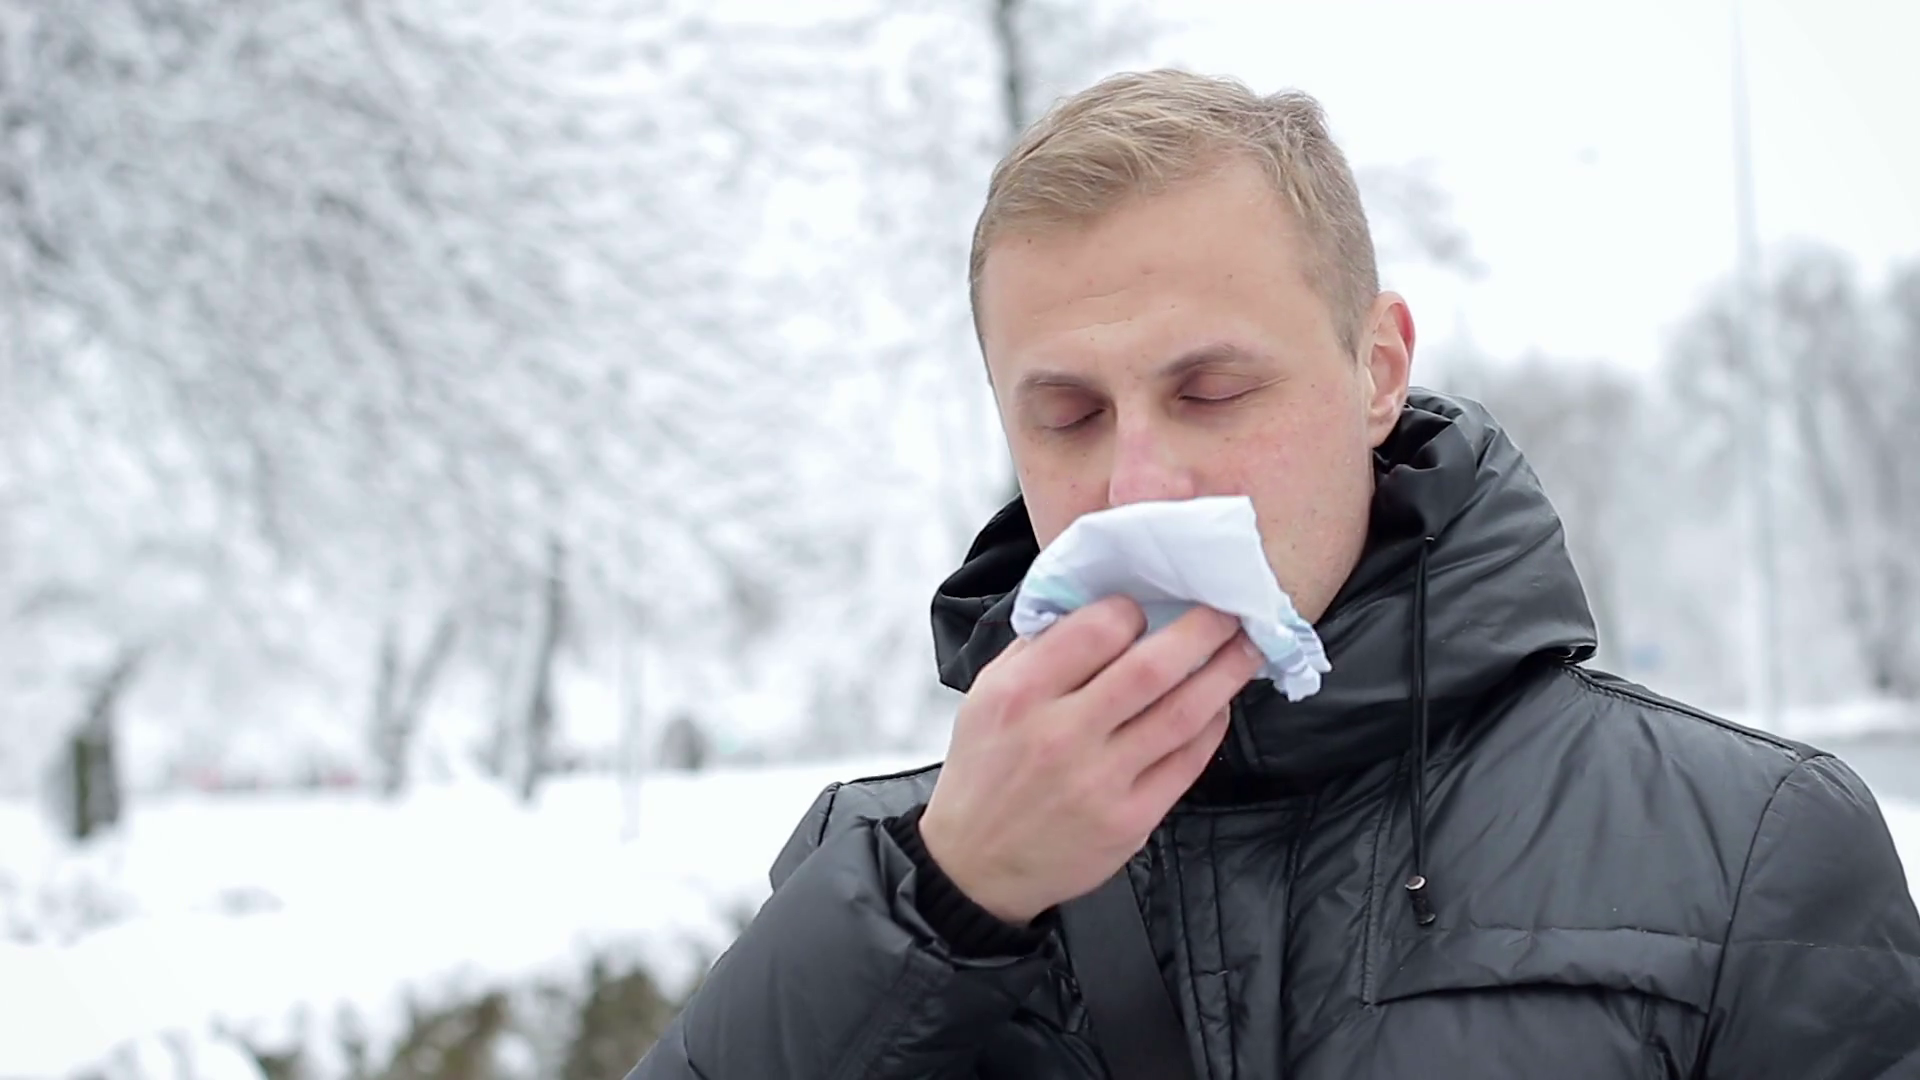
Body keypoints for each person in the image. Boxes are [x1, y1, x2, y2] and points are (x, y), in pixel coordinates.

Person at [627, 69, 1920, 1079]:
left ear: (1376, 368)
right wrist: (952, 901)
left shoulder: (1744, 847)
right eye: (1068, 416)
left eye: (1212, 390)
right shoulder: (882, 864)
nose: (1139, 482)